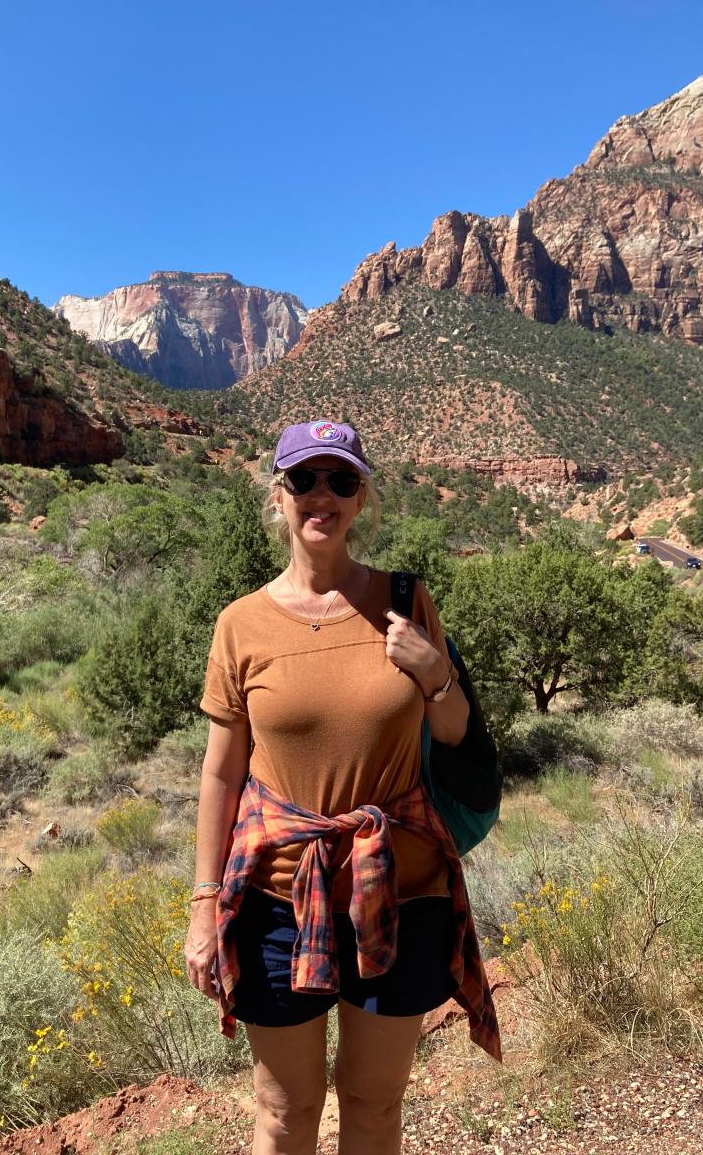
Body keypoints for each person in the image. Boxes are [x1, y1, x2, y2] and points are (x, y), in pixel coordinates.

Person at [184, 419, 500, 1155]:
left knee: (372, 1103)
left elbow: (456, 735)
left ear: (363, 500)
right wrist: (204, 906)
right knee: (285, 1111)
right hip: (275, 900)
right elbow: (221, 772)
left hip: (398, 891)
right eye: (304, 480)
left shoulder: (406, 600)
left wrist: (435, 674)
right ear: (278, 496)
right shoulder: (241, 625)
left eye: (341, 481)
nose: (321, 496)